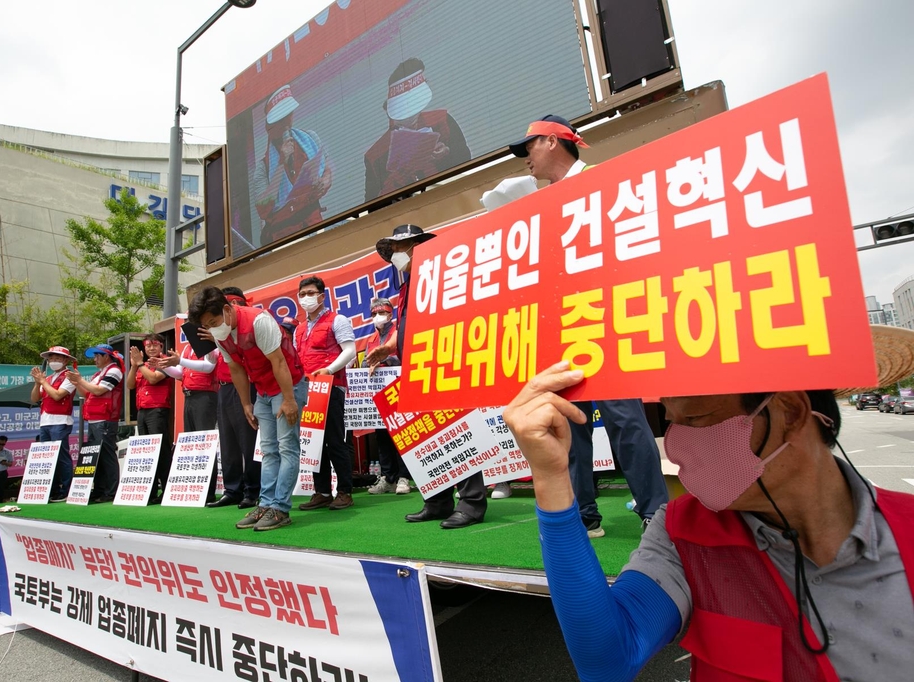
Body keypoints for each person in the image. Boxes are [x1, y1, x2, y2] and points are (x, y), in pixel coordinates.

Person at [503, 325, 914, 681]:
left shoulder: (906, 529)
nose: (677, 446)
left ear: (788, 411)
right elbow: (607, 661)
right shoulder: (680, 533)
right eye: (670, 422)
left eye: (696, 420)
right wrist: (551, 478)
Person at [508, 114, 669, 537]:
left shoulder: (604, 182)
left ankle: (656, 511)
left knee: (625, 420)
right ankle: (584, 515)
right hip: (561, 328)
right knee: (568, 423)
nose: (525, 159)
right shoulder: (540, 205)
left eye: (528, 148)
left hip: (604, 321)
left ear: (552, 142)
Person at [369, 224, 487, 529]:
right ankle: (437, 500)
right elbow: (409, 325)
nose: (397, 254)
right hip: (416, 370)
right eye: (394, 249)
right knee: (427, 438)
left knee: (456, 434)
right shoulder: (406, 285)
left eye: (402, 247)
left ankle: (472, 502)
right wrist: (388, 348)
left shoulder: (443, 277)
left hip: (441, 366)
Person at [187, 286, 307, 532]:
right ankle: (266, 504)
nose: (211, 329)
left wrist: (289, 400)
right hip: (262, 390)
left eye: (213, 321)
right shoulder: (220, 334)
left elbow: (279, 361)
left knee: (287, 447)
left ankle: (281, 509)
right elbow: (236, 369)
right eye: (206, 326)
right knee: (269, 450)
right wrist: (245, 403)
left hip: (287, 386)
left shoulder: (258, 321)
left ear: (228, 310)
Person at [364, 58, 471, 201]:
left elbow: (465, 161)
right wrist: (396, 180)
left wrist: (446, 153)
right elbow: (372, 207)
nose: (410, 117)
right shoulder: (375, 156)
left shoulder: (442, 120)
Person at [294, 276, 358, 512]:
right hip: (307, 389)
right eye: (302, 294)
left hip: (331, 386)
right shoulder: (300, 329)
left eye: (311, 293)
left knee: (335, 440)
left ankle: (344, 491)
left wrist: (329, 369)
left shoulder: (337, 320)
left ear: (322, 295)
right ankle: (321, 491)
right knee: (313, 442)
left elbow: (350, 351)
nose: (306, 298)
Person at [255, 84, 333, 246]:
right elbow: (263, 208)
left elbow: (327, 170)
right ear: (269, 127)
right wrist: (281, 162)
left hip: (314, 222)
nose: (286, 123)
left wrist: (324, 183)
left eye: (288, 116)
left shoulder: (309, 138)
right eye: (280, 120)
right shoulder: (263, 166)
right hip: (283, 235)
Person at [206, 287, 261, 511]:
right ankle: (232, 489)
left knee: (249, 441)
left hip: (246, 385)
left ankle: (253, 490)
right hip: (224, 387)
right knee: (227, 442)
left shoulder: (249, 326)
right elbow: (210, 360)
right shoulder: (219, 333)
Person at [360, 297, 412, 495]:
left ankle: (403, 477)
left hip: (398, 391)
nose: (377, 317)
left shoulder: (397, 333)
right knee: (382, 435)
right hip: (378, 393)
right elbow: (365, 362)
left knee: (401, 434)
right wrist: (370, 364)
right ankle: (388, 477)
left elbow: (404, 356)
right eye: (374, 314)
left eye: (381, 313)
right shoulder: (371, 340)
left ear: (391, 314)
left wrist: (386, 360)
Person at [69, 344, 124, 503]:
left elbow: (99, 391)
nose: (95, 359)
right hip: (94, 418)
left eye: (97, 356)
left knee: (107, 456)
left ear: (106, 356)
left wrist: (80, 380)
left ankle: (111, 491)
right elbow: (86, 393)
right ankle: (99, 490)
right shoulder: (98, 374)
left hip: (105, 419)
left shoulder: (114, 371)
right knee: (95, 457)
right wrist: (77, 382)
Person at [127, 333, 175, 500]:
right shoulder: (142, 364)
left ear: (161, 346)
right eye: (148, 346)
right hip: (142, 410)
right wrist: (134, 366)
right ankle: (151, 490)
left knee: (161, 450)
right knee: (147, 451)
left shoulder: (164, 361)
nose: (151, 348)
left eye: (155, 345)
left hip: (158, 409)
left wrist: (140, 364)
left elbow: (154, 378)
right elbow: (130, 385)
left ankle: (167, 488)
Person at [31, 345, 77, 502]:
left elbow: (58, 395)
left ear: (65, 360)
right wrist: (38, 383)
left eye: (57, 358)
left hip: (60, 420)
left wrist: (43, 382)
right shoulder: (49, 379)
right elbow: (34, 398)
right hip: (45, 421)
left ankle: (66, 489)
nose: (54, 361)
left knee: (61, 456)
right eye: (51, 358)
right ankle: (53, 489)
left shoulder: (69, 376)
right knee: (48, 457)